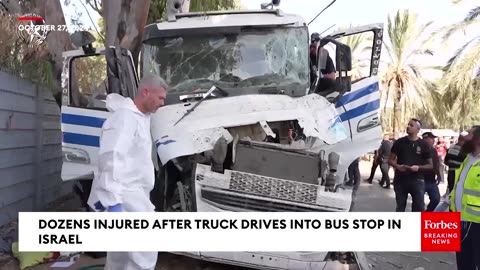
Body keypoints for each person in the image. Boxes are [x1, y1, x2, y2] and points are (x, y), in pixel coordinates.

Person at [87, 74, 168, 270]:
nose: (162, 103)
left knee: (121, 253)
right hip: (125, 195)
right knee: (144, 251)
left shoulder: (141, 117)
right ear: (145, 92)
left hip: (133, 193)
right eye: (160, 98)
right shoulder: (125, 118)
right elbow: (111, 158)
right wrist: (113, 202)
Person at [449, 126, 480, 270]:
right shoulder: (468, 158)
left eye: (469, 134)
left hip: (477, 223)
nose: (464, 137)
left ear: (477, 139)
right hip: (461, 220)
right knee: (463, 263)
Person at [388, 119, 433, 212]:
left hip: (417, 180)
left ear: (418, 129)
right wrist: (398, 167)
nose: (408, 126)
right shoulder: (399, 142)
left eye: (411, 125)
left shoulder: (423, 144)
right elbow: (390, 160)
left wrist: (419, 168)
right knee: (400, 206)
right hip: (400, 180)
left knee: (419, 207)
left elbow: (430, 165)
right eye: (408, 124)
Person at [421, 132, 442, 212]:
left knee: (436, 199)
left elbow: (436, 164)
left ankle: (427, 214)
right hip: (421, 179)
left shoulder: (433, 150)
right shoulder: (419, 150)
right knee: (419, 202)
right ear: (426, 139)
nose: (433, 140)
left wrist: (439, 175)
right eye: (431, 138)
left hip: (431, 180)